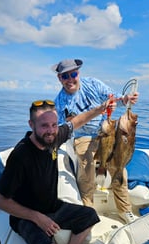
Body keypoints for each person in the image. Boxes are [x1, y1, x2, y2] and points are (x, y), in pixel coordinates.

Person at [0, 99, 110, 244]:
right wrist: (37, 218)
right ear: (31, 125)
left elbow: (77, 121)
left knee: (91, 216)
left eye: (54, 125)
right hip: (25, 216)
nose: (50, 131)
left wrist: (100, 109)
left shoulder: (54, 138)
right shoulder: (20, 156)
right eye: (44, 126)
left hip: (52, 206)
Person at [52, 58, 139, 224]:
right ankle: (88, 210)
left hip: (106, 131)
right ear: (59, 79)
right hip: (82, 137)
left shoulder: (93, 84)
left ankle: (125, 210)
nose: (70, 79)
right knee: (87, 169)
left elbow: (115, 99)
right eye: (65, 76)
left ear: (79, 73)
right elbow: (66, 129)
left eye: (73, 74)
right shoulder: (60, 102)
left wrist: (126, 99)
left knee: (119, 168)